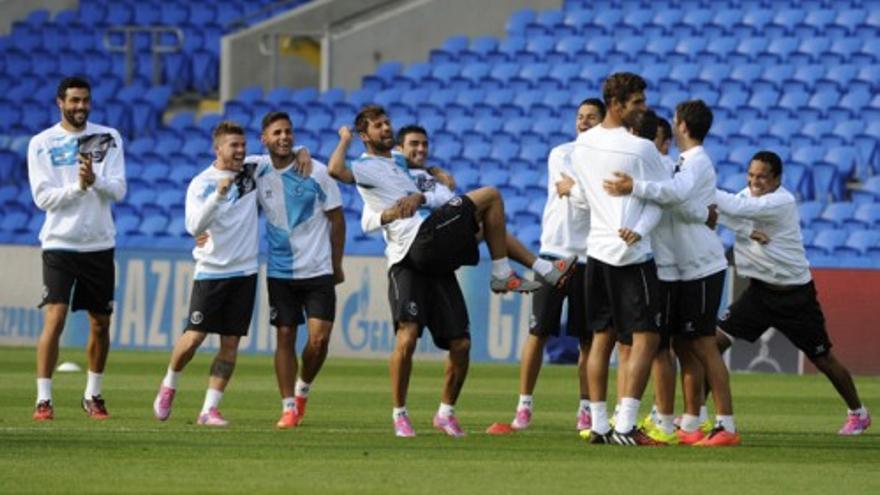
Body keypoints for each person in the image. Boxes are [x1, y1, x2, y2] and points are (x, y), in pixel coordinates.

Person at [327, 106, 575, 437]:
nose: (386, 128)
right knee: (408, 335)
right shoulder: (365, 166)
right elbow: (339, 176)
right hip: (409, 255)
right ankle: (400, 413)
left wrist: (429, 180)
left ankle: (445, 412)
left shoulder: (406, 168)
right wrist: (344, 141)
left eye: (388, 123)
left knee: (461, 344)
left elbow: (434, 187)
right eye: (379, 125)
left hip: (436, 255)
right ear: (365, 135)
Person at [604, 101, 740, 446]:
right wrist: (701, 212)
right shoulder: (682, 163)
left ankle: (726, 425)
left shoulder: (696, 162)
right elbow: (685, 202)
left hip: (702, 266)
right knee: (682, 344)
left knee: (703, 344)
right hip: (681, 269)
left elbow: (676, 195)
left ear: (680, 125)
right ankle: (691, 420)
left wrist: (633, 186)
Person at [713, 150, 871, 436]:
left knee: (824, 359)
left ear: (776, 179)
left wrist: (702, 187)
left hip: (795, 296)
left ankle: (858, 413)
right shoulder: (746, 197)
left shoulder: (781, 201)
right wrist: (748, 230)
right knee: (713, 345)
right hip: (759, 293)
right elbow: (721, 213)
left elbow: (732, 209)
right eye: (750, 175)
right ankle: (696, 416)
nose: (754, 181)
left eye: (761, 176)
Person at [570, 72, 667, 446]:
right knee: (646, 337)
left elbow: (584, 195)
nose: (643, 109)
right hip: (631, 254)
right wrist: (637, 213)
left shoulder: (582, 144)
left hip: (596, 252)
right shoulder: (639, 148)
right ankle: (625, 425)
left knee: (601, 338)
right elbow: (670, 193)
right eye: (637, 103)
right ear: (616, 104)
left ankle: (598, 424)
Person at [361, 124, 576, 288]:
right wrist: (395, 211)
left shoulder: (434, 178)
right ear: (399, 149)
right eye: (414, 144)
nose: (421, 149)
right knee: (491, 196)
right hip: (411, 250)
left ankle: (537, 270)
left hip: (439, 237)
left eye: (425, 144)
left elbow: (447, 202)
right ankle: (530, 270)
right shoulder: (388, 178)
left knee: (490, 224)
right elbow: (368, 220)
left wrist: (430, 182)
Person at [28, 76, 127, 421]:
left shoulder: (108, 137)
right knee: (54, 317)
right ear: (60, 102)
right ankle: (44, 399)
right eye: (74, 101)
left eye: (85, 100)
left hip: (99, 243)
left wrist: (95, 181)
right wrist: (79, 187)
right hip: (59, 242)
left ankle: (93, 395)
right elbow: (43, 198)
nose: (80, 107)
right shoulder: (41, 143)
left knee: (100, 322)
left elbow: (119, 190)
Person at [508, 98, 606, 433]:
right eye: (580, 116)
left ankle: (585, 408)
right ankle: (524, 405)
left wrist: (584, 190)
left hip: (592, 256)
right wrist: (588, 191)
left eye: (591, 117)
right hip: (554, 253)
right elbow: (582, 193)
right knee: (539, 331)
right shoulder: (561, 153)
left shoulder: (609, 160)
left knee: (588, 339)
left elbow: (590, 196)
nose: (583, 122)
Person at [152, 121, 259, 426]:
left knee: (230, 344)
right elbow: (193, 226)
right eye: (233, 146)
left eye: (242, 145)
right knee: (195, 336)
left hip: (245, 270)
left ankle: (209, 409)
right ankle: (169, 383)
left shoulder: (252, 170)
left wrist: (302, 151)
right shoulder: (202, 183)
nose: (240, 151)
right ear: (218, 149)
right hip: (212, 270)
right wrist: (218, 196)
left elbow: (283, 156)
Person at [253, 111, 345, 428]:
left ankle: (302, 390)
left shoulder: (316, 172)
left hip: (318, 270)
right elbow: (224, 168)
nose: (284, 137)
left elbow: (337, 218)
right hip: (280, 271)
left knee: (318, 341)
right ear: (264, 139)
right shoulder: (256, 170)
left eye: (289, 132)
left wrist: (337, 264)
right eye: (277, 132)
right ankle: (288, 407)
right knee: (285, 335)